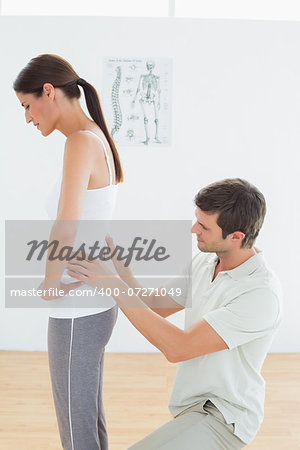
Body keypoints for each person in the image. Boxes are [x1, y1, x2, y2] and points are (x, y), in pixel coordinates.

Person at [67, 178, 282, 449]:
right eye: (196, 220)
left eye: (204, 227)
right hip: (192, 407)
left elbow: (177, 348)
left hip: (225, 417)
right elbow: (155, 306)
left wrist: (112, 284)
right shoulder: (206, 262)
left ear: (236, 236)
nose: (194, 229)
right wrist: (120, 268)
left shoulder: (259, 294)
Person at [14, 54, 123, 450]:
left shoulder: (80, 141)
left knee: (77, 431)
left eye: (27, 105)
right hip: (91, 302)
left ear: (49, 92)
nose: (27, 118)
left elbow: (67, 220)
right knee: (88, 420)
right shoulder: (95, 136)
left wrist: (47, 282)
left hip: (77, 304)